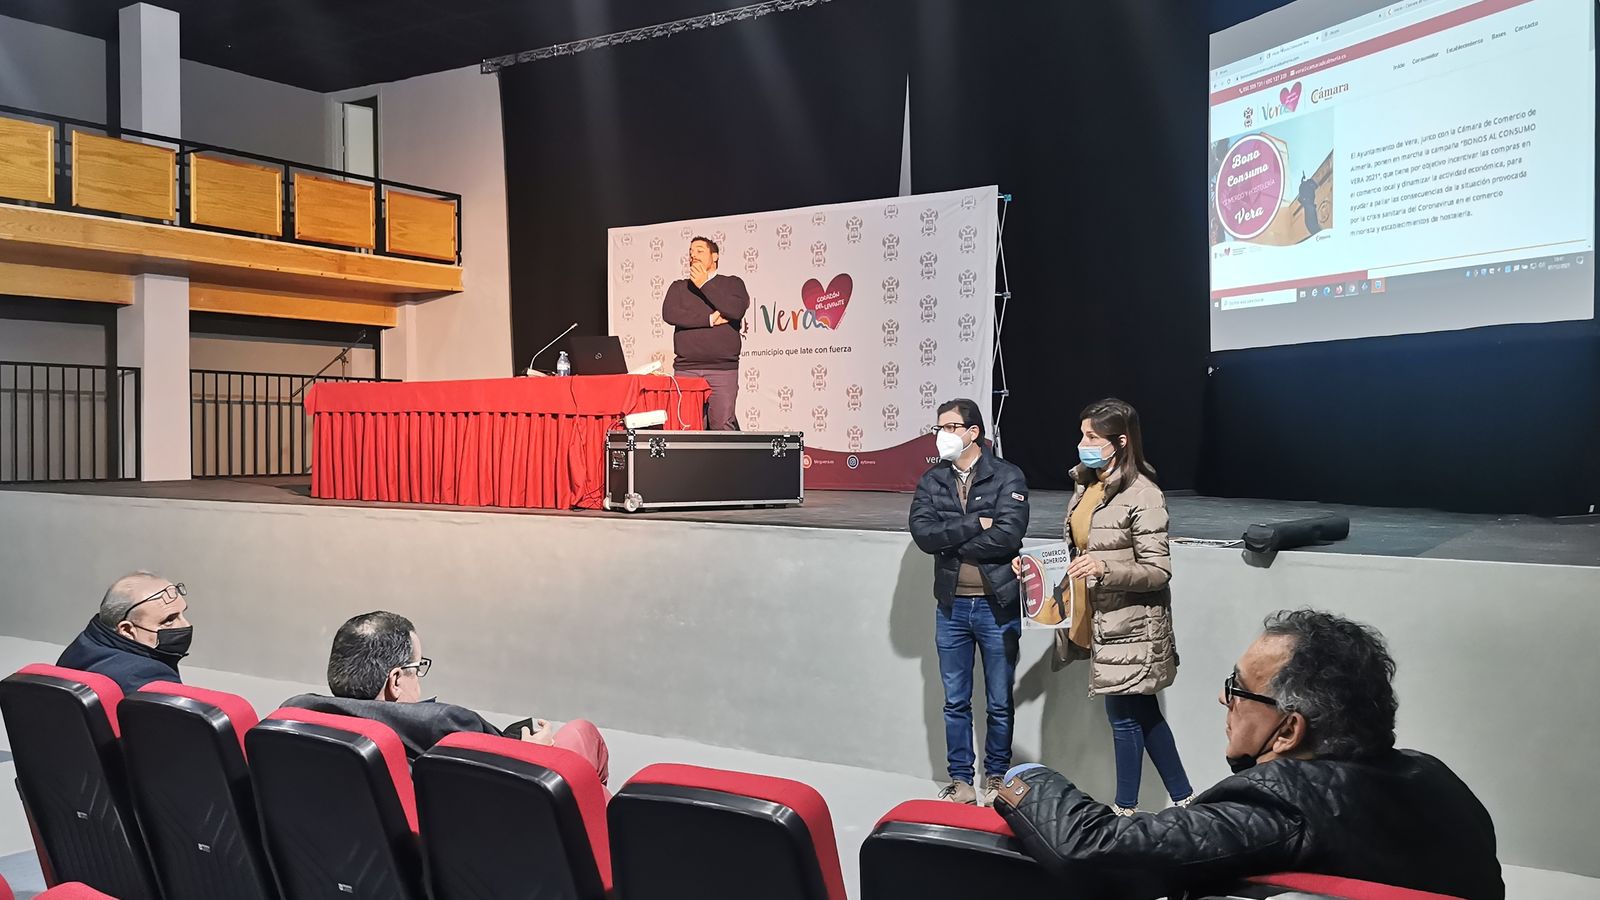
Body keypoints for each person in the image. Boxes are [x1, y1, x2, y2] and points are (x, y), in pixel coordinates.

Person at [993, 609, 1504, 900]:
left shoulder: (1280, 804)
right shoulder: (1438, 780)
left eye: (1237, 689)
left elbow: (1092, 848)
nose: (1224, 699)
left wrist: (1024, 775)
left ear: (1287, 731)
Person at [1030, 398, 1193, 815]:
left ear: (1120, 442)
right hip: (1097, 615)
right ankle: (1185, 799)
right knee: (1143, 712)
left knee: (1123, 716)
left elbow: (1157, 570)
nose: (1081, 443)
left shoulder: (1144, 494)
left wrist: (1106, 568)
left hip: (1130, 623)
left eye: (1091, 437)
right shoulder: (1087, 485)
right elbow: (1078, 548)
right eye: (1082, 434)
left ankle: (1124, 810)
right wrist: (1035, 570)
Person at [282, 611, 609, 785]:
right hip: (510, 812)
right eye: (417, 667)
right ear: (395, 680)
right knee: (582, 733)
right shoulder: (445, 725)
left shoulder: (295, 717)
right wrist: (537, 758)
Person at [909, 399, 1030, 805]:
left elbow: (1008, 536)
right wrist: (974, 523)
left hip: (997, 605)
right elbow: (924, 536)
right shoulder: (932, 480)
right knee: (955, 700)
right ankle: (961, 781)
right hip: (952, 608)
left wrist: (953, 537)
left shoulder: (1007, 476)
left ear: (973, 432)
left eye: (950, 426)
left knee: (999, 700)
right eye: (938, 427)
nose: (942, 433)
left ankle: (996, 777)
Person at [660, 236, 750, 430]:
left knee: (722, 425)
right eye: (691, 252)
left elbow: (735, 309)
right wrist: (709, 319)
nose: (693, 255)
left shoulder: (732, 284)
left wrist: (704, 284)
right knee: (687, 427)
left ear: (714, 256)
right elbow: (669, 313)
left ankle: (726, 462)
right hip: (687, 369)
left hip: (723, 370)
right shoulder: (679, 287)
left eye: (700, 251)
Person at [58, 571, 193, 693]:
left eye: (182, 614)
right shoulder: (152, 677)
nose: (186, 625)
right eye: (169, 620)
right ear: (127, 630)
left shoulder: (79, 648)